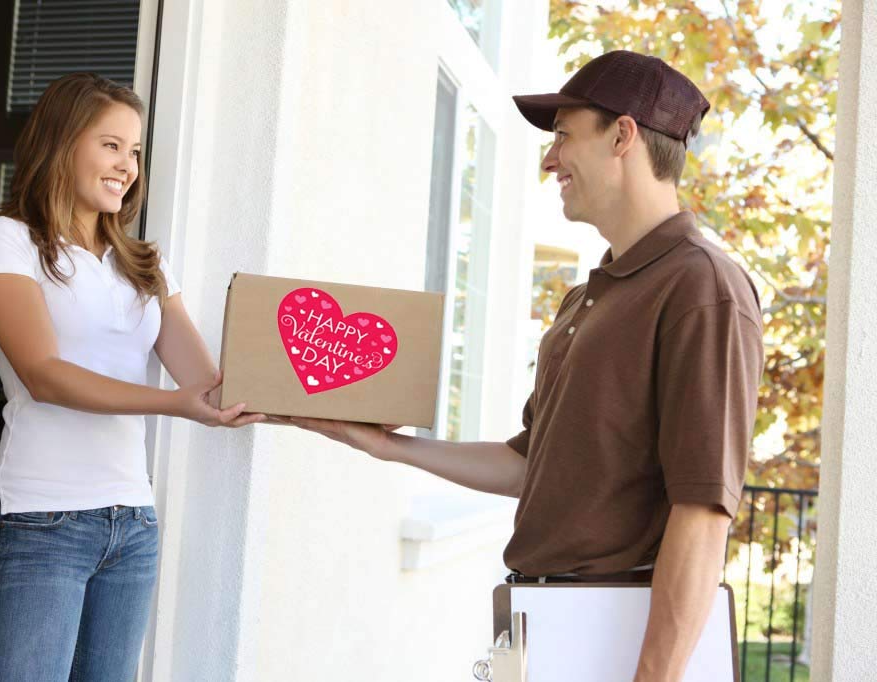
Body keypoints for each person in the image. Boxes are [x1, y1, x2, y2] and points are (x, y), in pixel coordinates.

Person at [281, 51, 764, 681]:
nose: (549, 159)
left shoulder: (701, 287)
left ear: (622, 135)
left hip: (612, 631)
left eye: (564, 136)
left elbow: (702, 514)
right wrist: (388, 446)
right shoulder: (588, 298)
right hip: (536, 617)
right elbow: (528, 463)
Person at [0, 73, 265, 682]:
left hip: (131, 522)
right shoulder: (8, 242)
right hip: (42, 521)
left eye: (134, 151)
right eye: (110, 145)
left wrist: (318, 385)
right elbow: (44, 374)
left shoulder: (145, 265)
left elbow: (208, 385)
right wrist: (175, 404)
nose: (126, 165)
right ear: (61, 143)